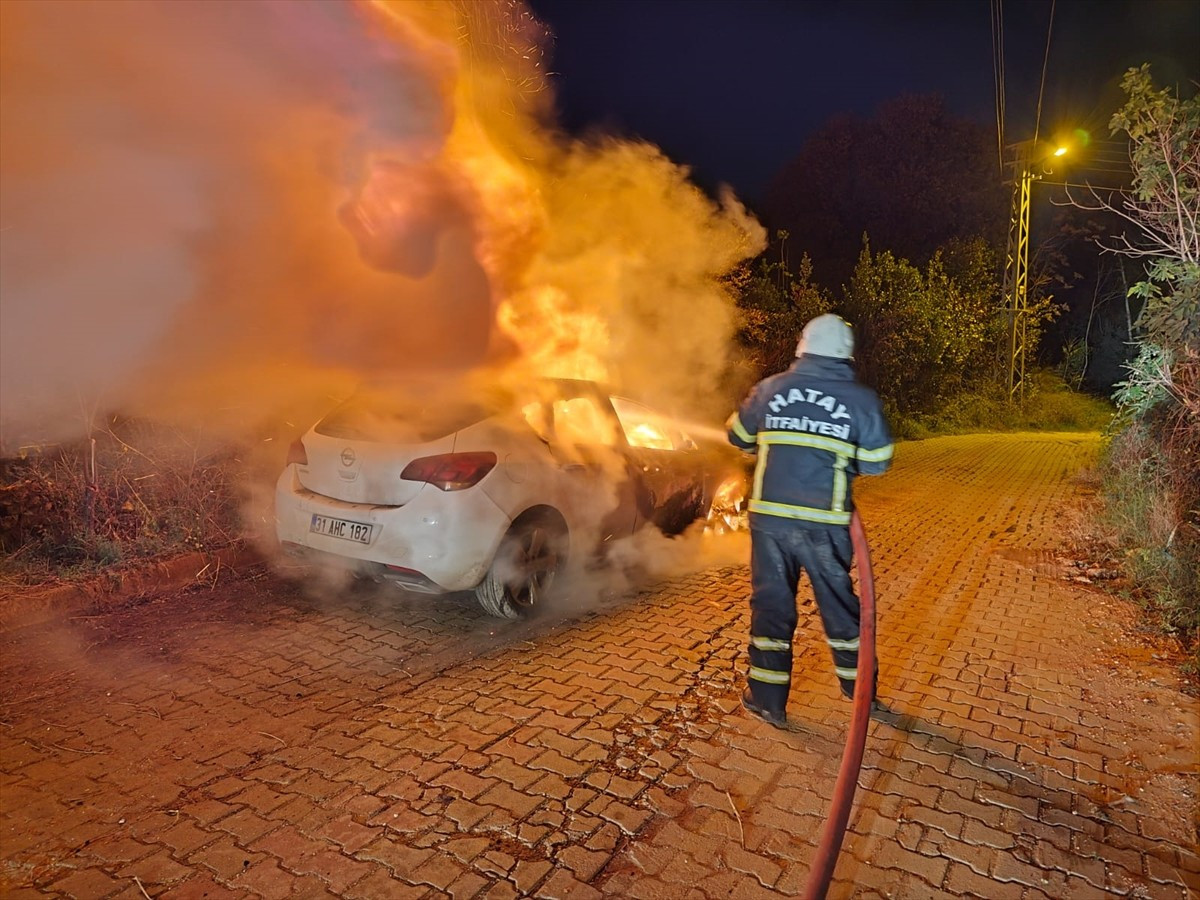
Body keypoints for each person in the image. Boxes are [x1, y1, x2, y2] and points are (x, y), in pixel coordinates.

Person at [726, 314, 893, 728]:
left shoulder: (770, 389)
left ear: (802, 347)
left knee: (772, 607)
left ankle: (767, 700)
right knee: (839, 608)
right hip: (824, 525)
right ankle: (861, 696)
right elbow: (877, 462)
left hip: (770, 523)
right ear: (846, 354)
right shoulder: (861, 400)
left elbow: (738, 438)